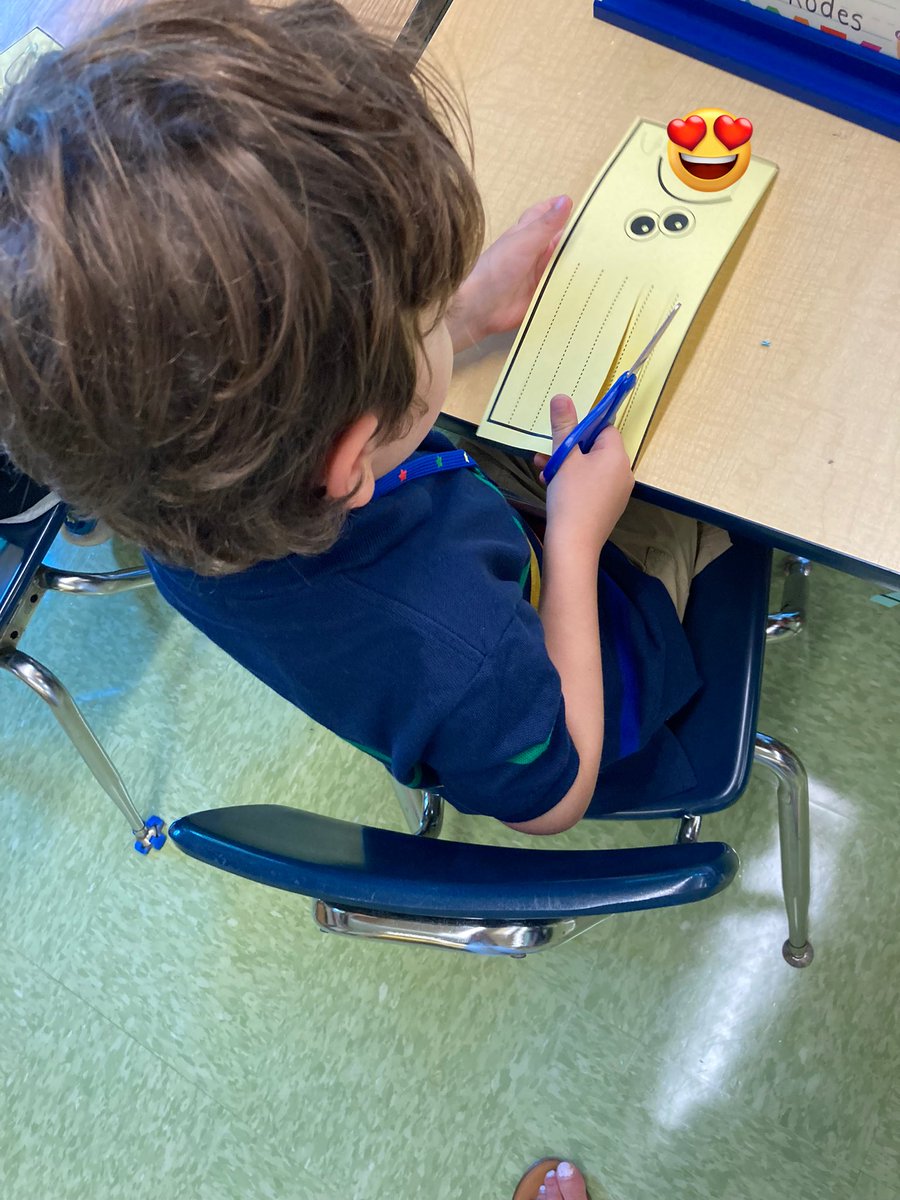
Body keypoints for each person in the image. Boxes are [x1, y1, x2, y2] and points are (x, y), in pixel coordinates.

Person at [0, 0, 727, 833]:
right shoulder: (463, 657)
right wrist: (575, 540)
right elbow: (555, 797)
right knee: (711, 498)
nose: (440, 313)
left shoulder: (176, 510)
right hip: (591, 677)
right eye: (427, 316)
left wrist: (462, 315)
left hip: (479, 543)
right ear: (348, 460)